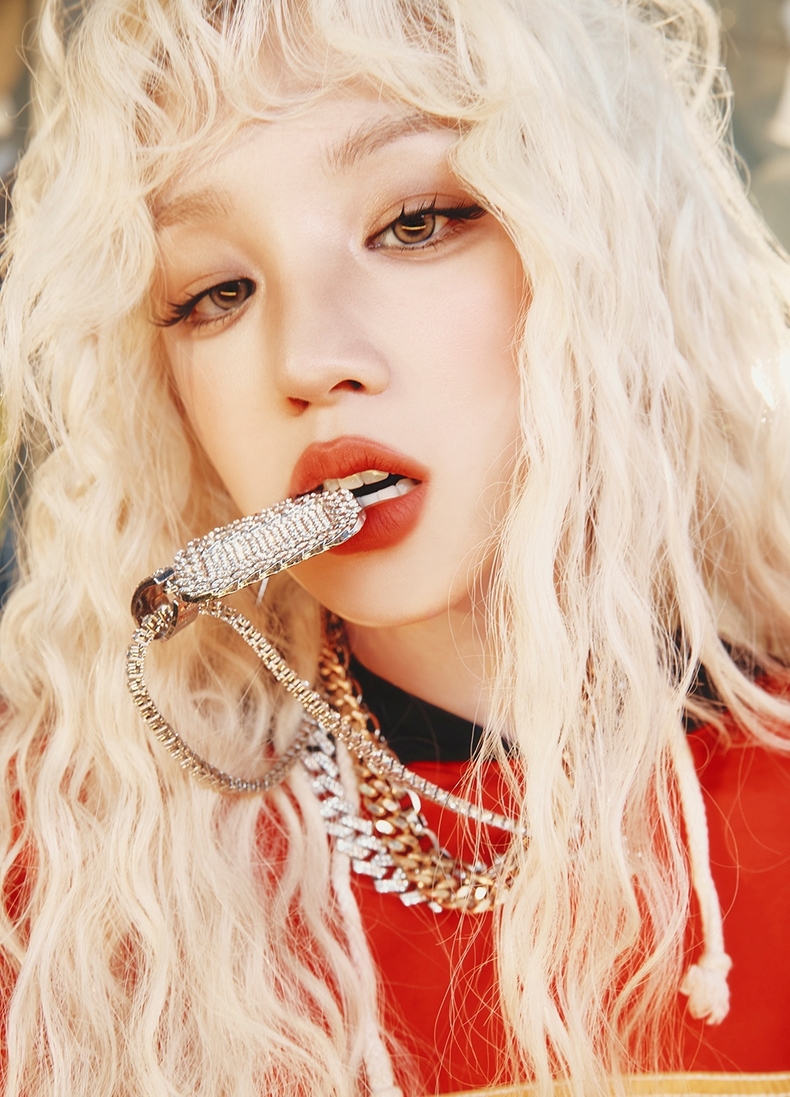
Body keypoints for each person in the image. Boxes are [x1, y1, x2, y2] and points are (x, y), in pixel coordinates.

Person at [1, 0, 789, 1094]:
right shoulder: (65, 863)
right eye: (216, 292)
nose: (308, 359)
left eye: (415, 223)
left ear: (609, 250)